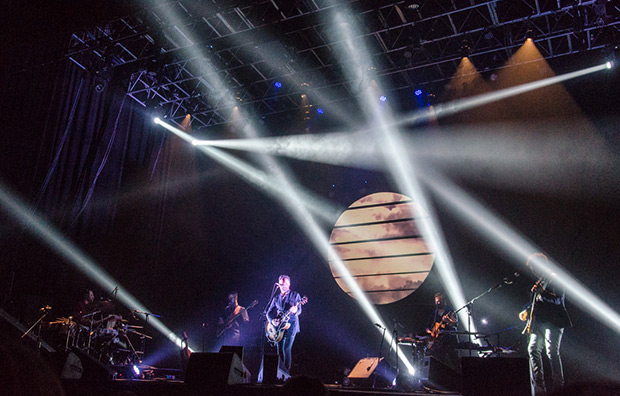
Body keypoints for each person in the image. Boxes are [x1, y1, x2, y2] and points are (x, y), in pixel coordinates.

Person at [519, 253, 571, 396]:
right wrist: (527, 310)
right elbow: (539, 302)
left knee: (552, 352)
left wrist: (543, 293)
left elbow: (558, 300)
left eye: (534, 268)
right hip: (540, 322)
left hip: (554, 322)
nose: (533, 271)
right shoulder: (541, 280)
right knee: (533, 349)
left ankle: (558, 388)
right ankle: (539, 389)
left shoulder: (554, 278)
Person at [266, 275, 304, 375]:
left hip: (291, 325)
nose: (284, 286)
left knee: (286, 348)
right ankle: (279, 371)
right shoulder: (276, 298)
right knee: (279, 348)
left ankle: (286, 373)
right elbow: (268, 312)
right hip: (279, 326)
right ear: (278, 285)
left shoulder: (295, 295)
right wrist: (272, 321)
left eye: (286, 284)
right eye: (282, 284)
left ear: (289, 284)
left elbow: (299, 310)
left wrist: (295, 310)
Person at [425, 292, 458, 369]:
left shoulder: (450, 311)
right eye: (436, 301)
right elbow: (427, 327)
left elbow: (455, 325)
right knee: (439, 363)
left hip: (449, 340)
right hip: (438, 343)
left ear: (444, 301)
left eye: (440, 301)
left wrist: (448, 321)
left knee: (454, 362)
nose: (438, 303)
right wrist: (431, 332)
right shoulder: (434, 313)